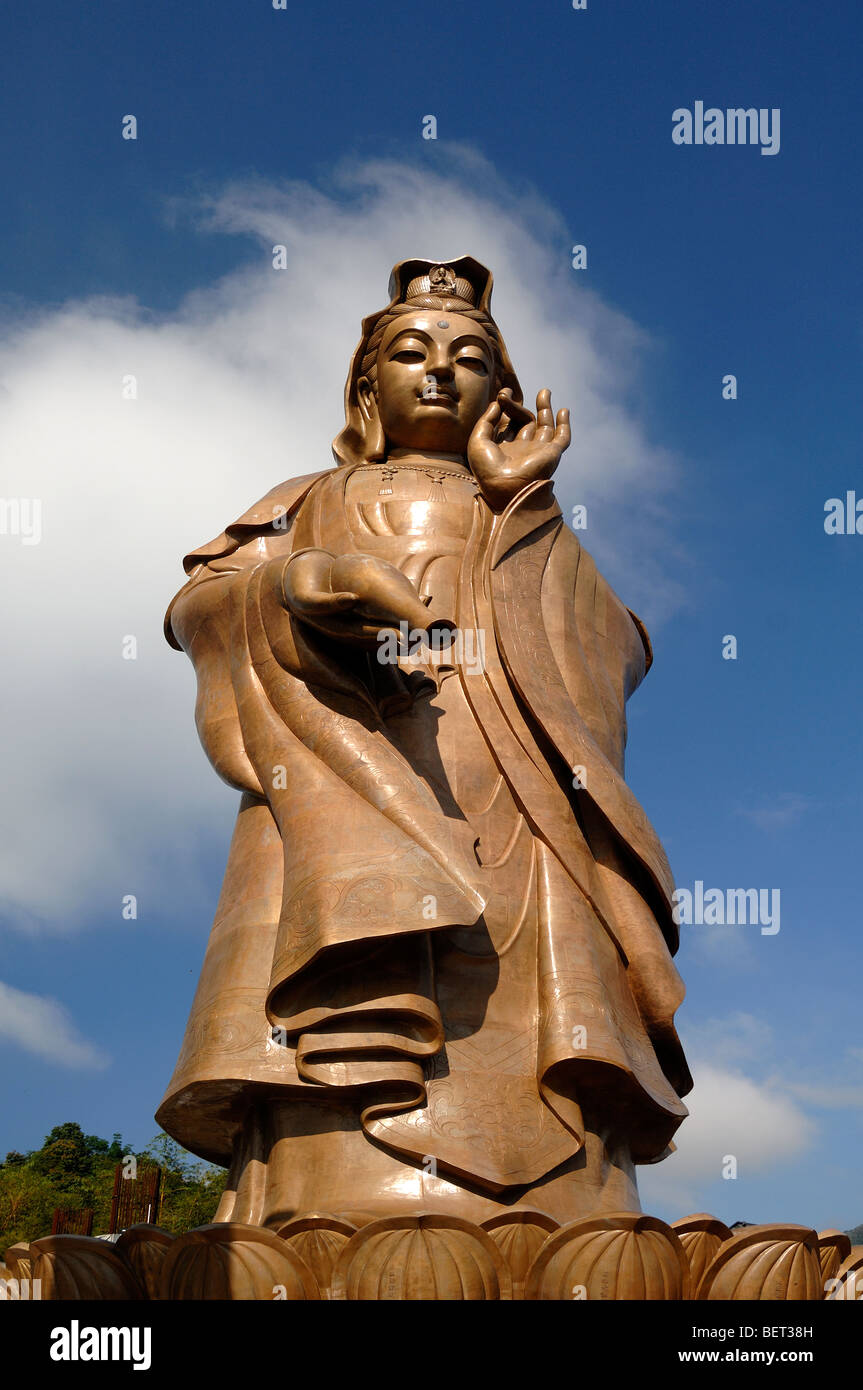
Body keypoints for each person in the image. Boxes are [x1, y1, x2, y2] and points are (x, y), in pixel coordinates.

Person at [157, 256, 691, 1230]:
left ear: (504, 390)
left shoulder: (524, 513)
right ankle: (333, 1181)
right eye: (409, 352)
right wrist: (292, 590)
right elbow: (200, 604)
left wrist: (521, 506)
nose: (439, 371)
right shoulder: (306, 497)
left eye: (470, 357)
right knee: (356, 961)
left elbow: (610, 647)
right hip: (352, 769)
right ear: (366, 383)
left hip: (524, 803)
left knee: (547, 984)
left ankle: (570, 1205)